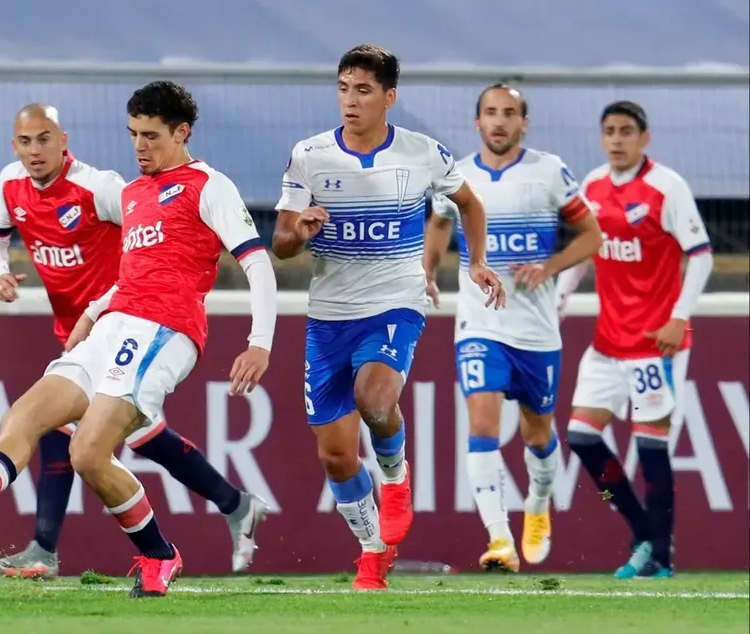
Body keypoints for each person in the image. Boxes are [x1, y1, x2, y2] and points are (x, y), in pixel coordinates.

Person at [0, 88, 278, 597]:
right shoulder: (136, 193)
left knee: (90, 452)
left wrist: (260, 341)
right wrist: (92, 314)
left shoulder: (208, 186)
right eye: (133, 134)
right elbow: (131, 274)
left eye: (151, 136)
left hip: (164, 330)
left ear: (182, 133)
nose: (139, 145)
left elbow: (257, 263)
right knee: (21, 420)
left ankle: (159, 554)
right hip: (112, 326)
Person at [271, 44, 504, 590]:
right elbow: (280, 241)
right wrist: (298, 232)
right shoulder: (308, 156)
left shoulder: (423, 154)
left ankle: (396, 480)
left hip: (396, 300)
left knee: (376, 400)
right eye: (344, 89)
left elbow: (470, 204)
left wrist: (477, 263)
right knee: (335, 457)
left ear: (389, 97)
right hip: (329, 316)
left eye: (364, 90)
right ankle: (374, 551)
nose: (350, 101)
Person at [425, 83, 602, 573]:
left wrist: (549, 267)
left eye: (509, 114)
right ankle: (499, 539)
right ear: (477, 122)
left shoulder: (548, 172)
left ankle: (539, 504)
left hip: (537, 331)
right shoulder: (457, 175)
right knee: (482, 424)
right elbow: (440, 222)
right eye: (490, 113)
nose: (499, 121)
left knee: (538, 434)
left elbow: (592, 235)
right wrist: (428, 268)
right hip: (480, 324)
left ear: (524, 123)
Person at [556, 101, 714, 579]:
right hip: (607, 343)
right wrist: (560, 297)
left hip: (655, 345)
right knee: (582, 437)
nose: (618, 139)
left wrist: (678, 318)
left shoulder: (668, 187)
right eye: (610, 131)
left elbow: (702, 255)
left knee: (651, 447)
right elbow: (585, 249)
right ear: (602, 137)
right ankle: (642, 527)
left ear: (644, 138)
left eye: (627, 131)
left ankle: (660, 557)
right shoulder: (593, 186)